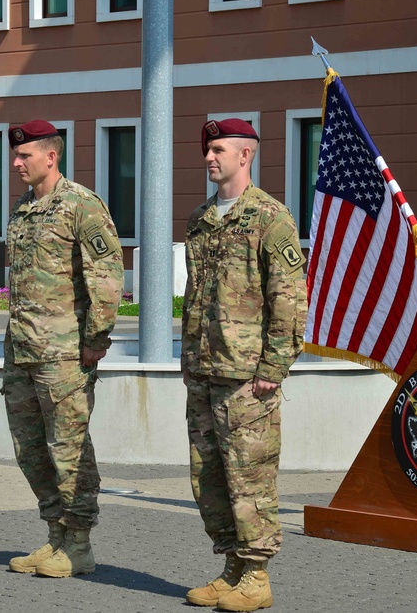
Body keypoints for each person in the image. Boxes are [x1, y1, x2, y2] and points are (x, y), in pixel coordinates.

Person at [182, 119, 308, 611]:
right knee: (207, 475)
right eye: (207, 149)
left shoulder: (270, 218)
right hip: (205, 370)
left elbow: (289, 302)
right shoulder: (201, 219)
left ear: (245, 155)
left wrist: (271, 371)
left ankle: (256, 575)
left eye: (218, 149)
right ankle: (231, 565)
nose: (209, 157)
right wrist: (189, 359)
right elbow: (195, 296)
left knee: (249, 476)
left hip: (246, 378)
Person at [2, 120, 123, 578]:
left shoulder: (81, 205)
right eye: (15, 156)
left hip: (64, 355)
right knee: (30, 449)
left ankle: (78, 543)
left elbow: (107, 277)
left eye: (25, 155)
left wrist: (95, 341)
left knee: (68, 448)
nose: (16, 163)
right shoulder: (23, 208)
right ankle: (55, 536)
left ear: (51, 156)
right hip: (22, 351)